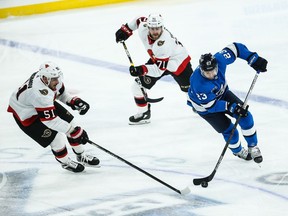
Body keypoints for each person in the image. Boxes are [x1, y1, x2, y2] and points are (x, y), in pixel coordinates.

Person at [7, 61, 100, 172]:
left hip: (38, 104)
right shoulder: (39, 93)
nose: (57, 81)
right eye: (54, 79)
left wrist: (73, 101)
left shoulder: (51, 79)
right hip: (26, 115)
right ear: (45, 79)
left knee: (72, 124)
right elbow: (50, 121)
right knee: (57, 139)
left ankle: (81, 156)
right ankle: (65, 162)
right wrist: (73, 132)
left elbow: (61, 94)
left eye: (57, 77)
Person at [187, 42, 268, 163]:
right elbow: (211, 107)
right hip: (206, 108)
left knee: (245, 116)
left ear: (216, 66)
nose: (210, 75)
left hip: (223, 94)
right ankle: (237, 151)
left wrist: (252, 57)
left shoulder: (219, 60)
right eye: (206, 73)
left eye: (213, 71)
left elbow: (236, 48)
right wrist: (231, 107)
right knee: (230, 132)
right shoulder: (198, 84)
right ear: (202, 70)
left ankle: (253, 147)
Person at [115, 13, 193, 125]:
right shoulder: (143, 28)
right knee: (137, 86)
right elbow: (139, 20)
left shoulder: (163, 44)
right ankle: (144, 113)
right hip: (159, 59)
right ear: (148, 27)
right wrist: (126, 29)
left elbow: (158, 71)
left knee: (191, 93)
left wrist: (141, 69)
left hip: (178, 63)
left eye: (158, 28)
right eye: (152, 28)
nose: (155, 31)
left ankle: (197, 104)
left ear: (162, 27)